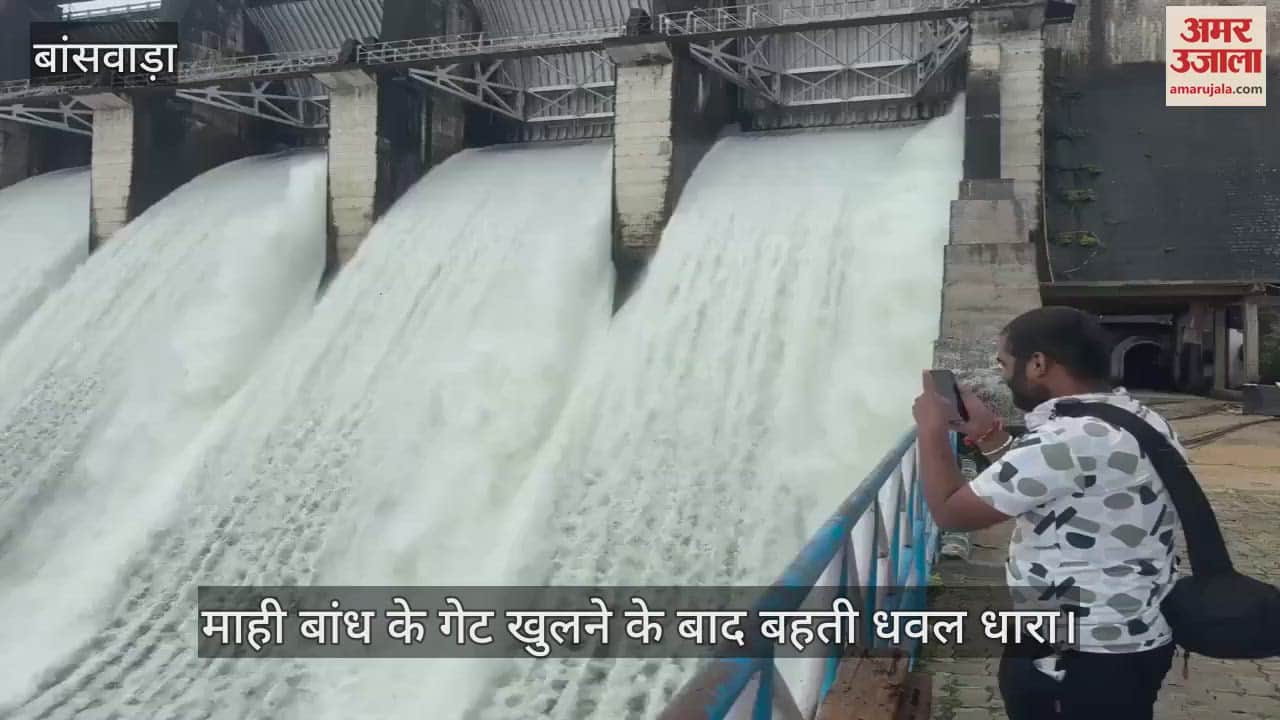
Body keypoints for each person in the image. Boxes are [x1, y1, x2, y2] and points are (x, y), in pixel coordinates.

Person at [912, 306, 1185, 720]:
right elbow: (1054, 484)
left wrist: (930, 430)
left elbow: (952, 514)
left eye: (1004, 363)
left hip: (1077, 652)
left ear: (1037, 363)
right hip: (1135, 634)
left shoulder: (1067, 438)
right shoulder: (1136, 417)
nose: (1002, 374)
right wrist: (988, 434)